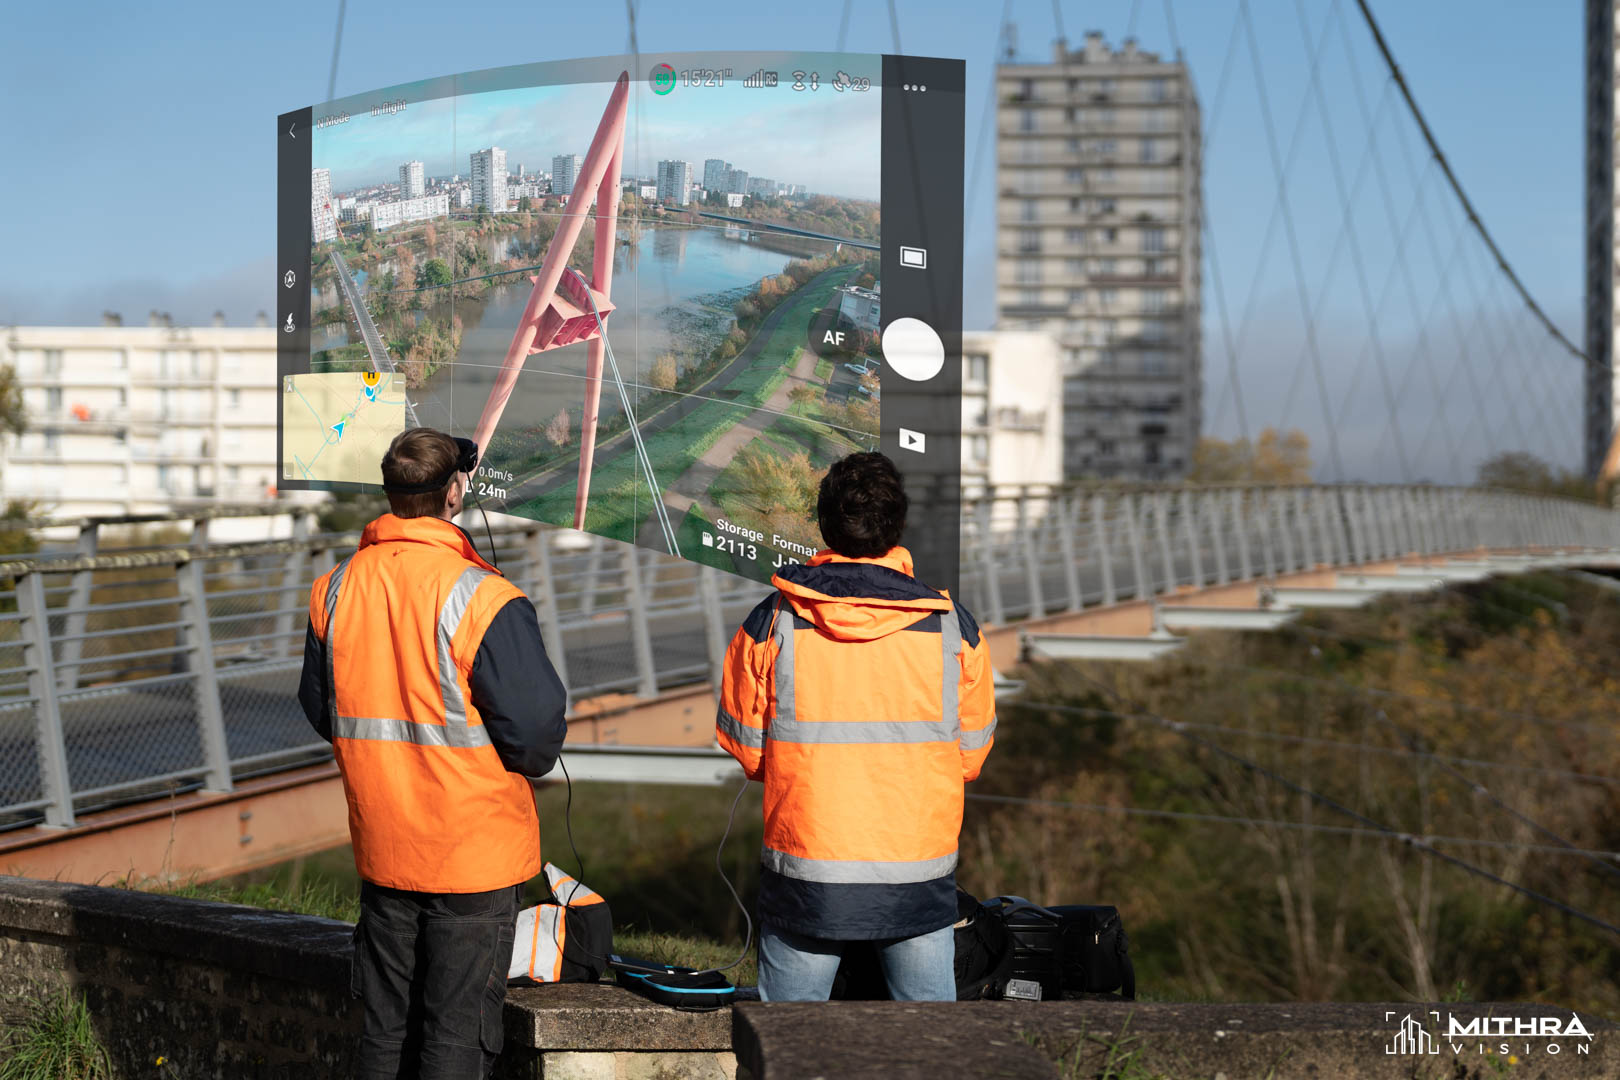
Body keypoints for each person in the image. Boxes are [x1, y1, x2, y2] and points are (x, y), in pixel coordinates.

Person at [299, 428, 568, 1079]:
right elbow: (536, 742)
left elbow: (322, 709)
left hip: (386, 845)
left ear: (392, 491)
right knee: (455, 1037)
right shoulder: (482, 596)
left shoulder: (334, 589)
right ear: (455, 492)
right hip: (472, 857)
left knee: (383, 1032)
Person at [715, 451, 997, 1002]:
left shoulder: (772, 620)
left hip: (807, 872)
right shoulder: (952, 629)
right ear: (898, 527)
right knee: (929, 1052)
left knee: (788, 1051)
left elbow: (749, 751)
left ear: (823, 524)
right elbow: (970, 757)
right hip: (916, 875)